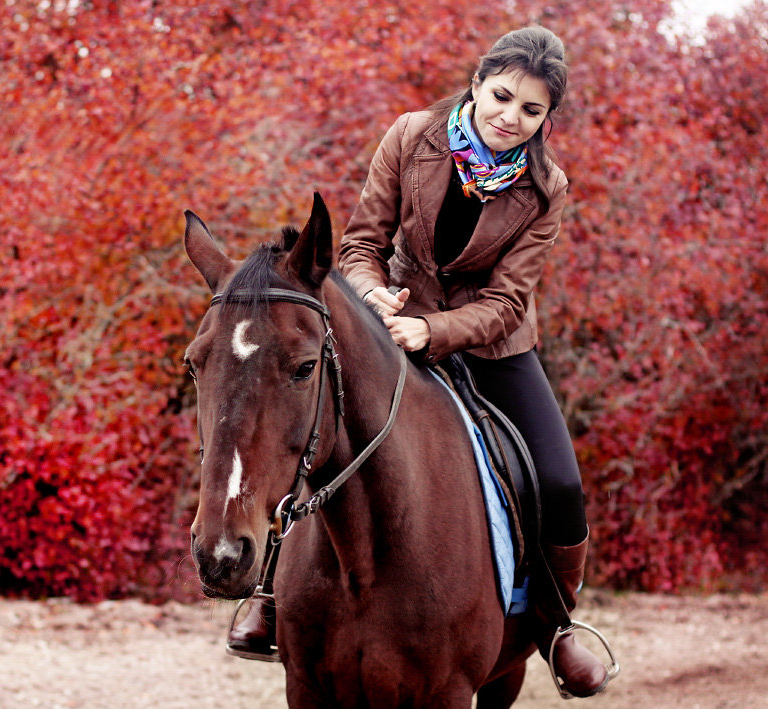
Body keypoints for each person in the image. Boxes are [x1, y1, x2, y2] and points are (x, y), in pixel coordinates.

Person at [228, 25, 614, 699]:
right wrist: (375, 296)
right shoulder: (410, 136)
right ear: (476, 84)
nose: (509, 118)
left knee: (558, 481)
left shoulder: (547, 188)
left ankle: (556, 625)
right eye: (501, 97)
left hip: (490, 345)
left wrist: (428, 330)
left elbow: (505, 300)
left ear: (546, 117)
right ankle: (268, 593)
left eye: (530, 110)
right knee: (308, 423)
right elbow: (359, 244)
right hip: (383, 324)